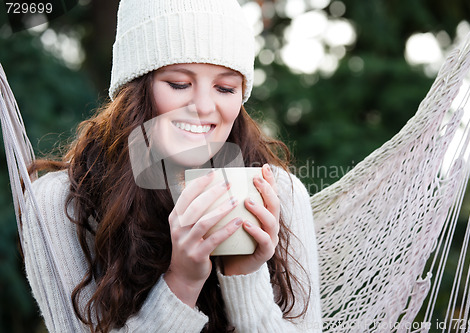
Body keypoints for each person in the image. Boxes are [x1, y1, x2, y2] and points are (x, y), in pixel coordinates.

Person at [20, 0, 321, 332]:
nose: (205, 107)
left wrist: (244, 276)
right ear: (135, 89)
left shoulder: (280, 194)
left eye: (225, 88)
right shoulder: (62, 202)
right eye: (179, 84)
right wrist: (182, 282)